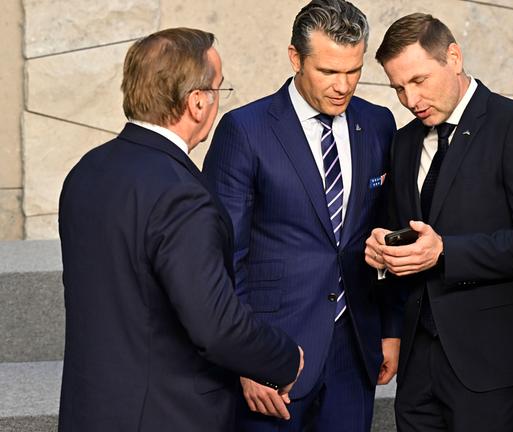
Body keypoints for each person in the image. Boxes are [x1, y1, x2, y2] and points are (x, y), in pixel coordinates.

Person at [57, 28, 303, 432]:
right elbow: (216, 327)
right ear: (197, 102)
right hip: (166, 415)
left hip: (92, 411)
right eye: (219, 89)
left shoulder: (87, 171)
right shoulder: (181, 195)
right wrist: (286, 359)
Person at [202, 1, 399, 430]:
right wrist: (246, 358)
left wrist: (390, 329)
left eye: (353, 70)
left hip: (355, 349)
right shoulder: (244, 130)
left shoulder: (379, 123)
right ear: (296, 58)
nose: (342, 86)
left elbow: (384, 231)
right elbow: (223, 256)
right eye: (328, 71)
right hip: (273, 353)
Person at [365, 13, 513, 432]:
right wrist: (383, 252)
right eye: (398, 87)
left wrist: (445, 252)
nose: (410, 98)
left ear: (453, 57)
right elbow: (403, 233)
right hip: (418, 364)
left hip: (495, 360)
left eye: (419, 80)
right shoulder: (404, 142)